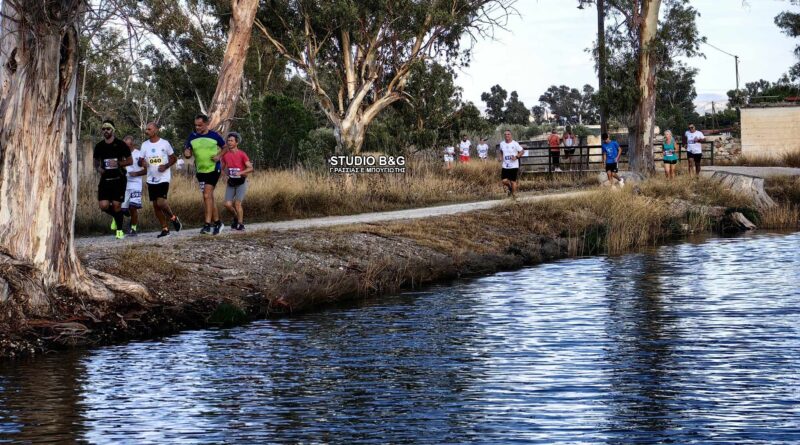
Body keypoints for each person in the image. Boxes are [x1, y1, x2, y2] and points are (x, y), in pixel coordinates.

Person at [184, 113, 227, 235]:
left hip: (214, 169)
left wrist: (219, 156)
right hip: (200, 171)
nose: (197, 127)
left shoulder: (214, 135)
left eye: (200, 125)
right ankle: (218, 223)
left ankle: (207, 225)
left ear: (207, 124)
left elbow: (225, 147)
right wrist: (187, 153)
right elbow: (187, 151)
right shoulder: (192, 136)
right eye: (196, 125)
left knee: (207, 196)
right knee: (208, 197)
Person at [142, 122, 182, 238]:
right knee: (155, 205)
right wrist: (143, 163)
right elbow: (141, 161)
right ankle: (165, 229)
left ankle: (173, 217)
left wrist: (166, 166)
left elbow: (173, 158)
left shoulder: (165, 143)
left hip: (163, 178)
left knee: (161, 202)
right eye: (146, 129)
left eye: (149, 129)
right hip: (151, 178)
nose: (147, 131)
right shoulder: (144, 145)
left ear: (156, 130)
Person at [93, 119, 132, 240]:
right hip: (105, 179)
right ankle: (118, 216)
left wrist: (118, 163)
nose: (105, 131)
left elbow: (130, 161)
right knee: (103, 206)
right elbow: (95, 162)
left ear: (113, 130)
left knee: (116, 205)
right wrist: (99, 169)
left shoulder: (121, 144)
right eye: (103, 129)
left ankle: (119, 231)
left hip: (118, 178)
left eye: (108, 128)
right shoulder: (99, 146)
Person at [221, 132, 254, 231]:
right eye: (228, 141)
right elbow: (221, 169)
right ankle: (236, 217)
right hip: (231, 182)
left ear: (236, 142)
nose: (229, 142)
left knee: (237, 204)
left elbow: (250, 168)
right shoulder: (225, 155)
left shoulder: (242, 154)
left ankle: (240, 224)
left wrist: (240, 172)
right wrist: (224, 176)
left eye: (231, 141)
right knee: (227, 204)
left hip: (241, 182)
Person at [121, 135, 145, 236]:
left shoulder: (139, 154)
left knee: (133, 207)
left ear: (132, 144)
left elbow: (146, 169)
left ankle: (133, 229)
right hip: (125, 184)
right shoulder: (121, 155)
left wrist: (136, 173)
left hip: (136, 184)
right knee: (122, 209)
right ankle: (131, 221)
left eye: (128, 145)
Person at [498, 129, 524, 198]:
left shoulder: (515, 143)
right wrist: (500, 157)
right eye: (505, 134)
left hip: (514, 165)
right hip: (505, 165)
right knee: (504, 181)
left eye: (508, 134)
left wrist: (516, 157)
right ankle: (510, 188)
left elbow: (522, 151)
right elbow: (501, 151)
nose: (507, 136)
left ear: (511, 135)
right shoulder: (502, 143)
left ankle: (514, 195)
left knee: (513, 181)